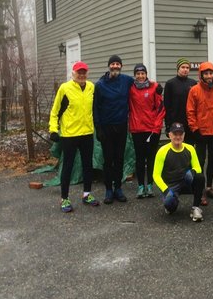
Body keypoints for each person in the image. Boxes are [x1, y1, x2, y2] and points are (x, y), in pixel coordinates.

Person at [49, 61, 99, 213]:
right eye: (79, 72)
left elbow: (95, 108)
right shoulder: (65, 88)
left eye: (84, 72)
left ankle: (87, 194)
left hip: (87, 133)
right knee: (68, 166)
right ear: (74, 73)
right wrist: (53, 130)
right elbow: (55, 110)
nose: (82, 75)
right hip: (69, 135)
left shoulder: (91, 87)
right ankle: (64, 198)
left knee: (87, 165)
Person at [186, 61, 213, 205]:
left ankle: (209, 187)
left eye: (211, 73)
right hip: (201, 133)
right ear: (201, 75)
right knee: (200, 162)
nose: (209, 76)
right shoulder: (194, 90)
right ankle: (200, 190)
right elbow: (190, 112)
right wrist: (195, 129)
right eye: (206, 73)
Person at [93, 55, 133, 204]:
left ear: (121, 66)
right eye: (113, 64)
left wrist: (156, 88)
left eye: (118, 64)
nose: (115, 66)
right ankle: (108, 189)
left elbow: (142, 82)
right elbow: (95, 107)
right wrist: (98, 128)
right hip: (106, 128)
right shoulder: (100, 85)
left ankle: (118, 188)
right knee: (108, 159)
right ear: (109, 66)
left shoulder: (127, 81)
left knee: (119, 158)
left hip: (121, 126)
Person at [153, 122, 205, 222]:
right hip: (171, 185)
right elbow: (156, 175)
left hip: (185, 182)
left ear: (184, 135)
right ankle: (172, 202)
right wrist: (166, 190)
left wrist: (192, 172)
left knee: (200, 177)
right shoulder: (162, 151)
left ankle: (195, 208)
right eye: (175, 134)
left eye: (180, 134)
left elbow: (198, 168)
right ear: (170, 135)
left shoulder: (190, 148)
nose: (178, 137)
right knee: (170, 205)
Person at [129, 63, 165, 198]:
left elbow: (161, 108)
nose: (140, 76)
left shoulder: (154, 87)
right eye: (138, 74)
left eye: (142, 73)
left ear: (146, 74)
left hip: (151, 129)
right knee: (139, 158)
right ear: (135, 75)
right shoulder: (130, 88)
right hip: (137, 128)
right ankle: (140, 186)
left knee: (151, 158)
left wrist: (156, 127)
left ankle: (150, 185)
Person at [163, 58, 197, 143]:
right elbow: (167, 105)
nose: (185, 70)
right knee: (177, 145)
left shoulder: (193, 83)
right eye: (183, 67)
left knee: (189, 146)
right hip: (176, 121)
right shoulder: (170, 84)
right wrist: (168, 125)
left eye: (187, 67)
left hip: (190, 121)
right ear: (178, 68)